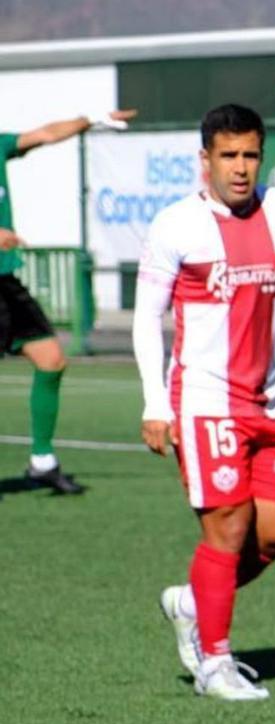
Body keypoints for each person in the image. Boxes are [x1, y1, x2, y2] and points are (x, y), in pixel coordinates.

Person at [133, 104, 275, 702]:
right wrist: (155, 402)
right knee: (228, 529)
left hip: (266, 400)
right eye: (228, 156)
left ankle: (192, 602)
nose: (240, 168)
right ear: (204, 159)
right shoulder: (176, 226)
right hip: (204, 400)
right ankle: (214, 663)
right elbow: (145, 319)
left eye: (250, 155)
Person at [1, 108, 136, 493]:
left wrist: (91, 119)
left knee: (50, 359)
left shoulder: (0, 146)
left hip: (5, 282)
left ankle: (42, 462)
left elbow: (44, 132)